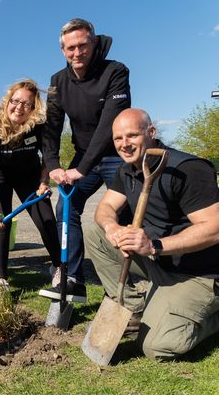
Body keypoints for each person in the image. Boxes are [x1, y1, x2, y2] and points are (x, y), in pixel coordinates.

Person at [85, 108, 219, 360]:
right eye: (118, 138)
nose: (124, 144)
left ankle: (211, 317)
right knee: (96, 232)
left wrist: (155, 246)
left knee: (157, 346)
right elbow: (105, 208)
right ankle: (134, 309)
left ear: (152, 133)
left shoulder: (188, 169)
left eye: (132, 135)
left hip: (200, 274)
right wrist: (113, 229)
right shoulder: (128, 170)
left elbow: (215, 228)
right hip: (160, 264)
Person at [39, 18, 131, 302]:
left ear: (93, 43)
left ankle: (121, 283)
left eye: (82, 46)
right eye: (70, 48)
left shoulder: (115, 71)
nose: (77, 53)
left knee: (122, 216)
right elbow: (52, 127)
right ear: (62, 50)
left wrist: (82, 168)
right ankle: (71, 277)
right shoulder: (57, 82)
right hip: (83, 157)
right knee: (66, 207)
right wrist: (53, 165)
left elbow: (108, 125)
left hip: (117, 155)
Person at [0, 79, 61, 289]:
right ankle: (0, 280)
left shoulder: (39, 129)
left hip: (30, 178)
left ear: (33, 108)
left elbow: (49, 158)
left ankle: (58, 268)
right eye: (15, 101)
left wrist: (44, 182)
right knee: (1, 227)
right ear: (7, 102)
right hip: (1, 179)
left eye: (26, 104)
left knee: (47, 221)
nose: (19, 107)